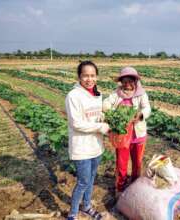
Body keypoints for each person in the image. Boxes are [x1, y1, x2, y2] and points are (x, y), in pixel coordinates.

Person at [65, 61, 109, 220]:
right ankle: (73, 213)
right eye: (85, 75)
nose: (89, 79)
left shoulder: (98, 94)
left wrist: (102, 118)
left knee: (91, 179)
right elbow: (76, 124)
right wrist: (99, 127)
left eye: (92, 75)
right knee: (83, 181)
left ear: (96, 77)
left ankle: (87, 206)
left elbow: (95, 115)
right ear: (79, 77)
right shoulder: (73, 96)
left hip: (96, 146)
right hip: (81, 147)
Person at [103, 66, 151, 197]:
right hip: (122, 136)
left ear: (135, 81)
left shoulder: (141, 94)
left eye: (130, 81)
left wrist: (140, 115)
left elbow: (147, 108)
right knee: (121, 162)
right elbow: (105, 104)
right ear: (121, 82)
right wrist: (114, 113)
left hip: (138, 135)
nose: (127, 84)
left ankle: (135, 186)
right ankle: (120, 188)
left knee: (137, 162)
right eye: (124, 81)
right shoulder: (116, 94)